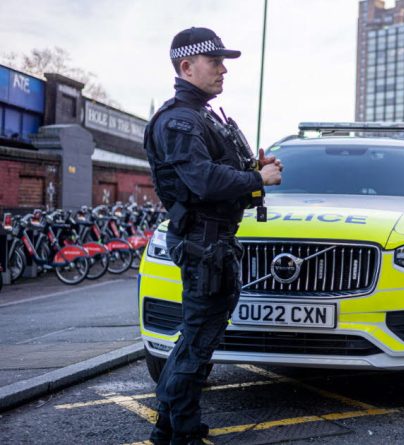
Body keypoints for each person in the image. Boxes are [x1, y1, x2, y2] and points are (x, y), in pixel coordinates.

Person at [142, 27, 283, 445]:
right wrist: (257, 176)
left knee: (199, 335)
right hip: (202, 242)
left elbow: (223, 173)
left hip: (215, 241)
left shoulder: (205, 116)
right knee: (198, 338)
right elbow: (201, 180)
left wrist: (253, 172)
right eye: (215, 62)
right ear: (186, 66)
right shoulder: (179, 120)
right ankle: (180, 429)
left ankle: (169, 425)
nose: (224, 70)